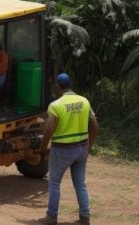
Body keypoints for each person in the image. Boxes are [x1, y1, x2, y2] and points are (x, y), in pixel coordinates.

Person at [40, 73, 100, 225]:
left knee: (54, 183)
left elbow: (48, 129)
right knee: (80, 184)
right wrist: (89, 147)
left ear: (58, 87)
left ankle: (51, 217)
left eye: (54, 86)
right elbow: (95, 126)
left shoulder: (56, 105)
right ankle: (85, 217)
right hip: (82, 148)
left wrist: (43, 147)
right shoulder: (84, 101)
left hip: (62, 150)